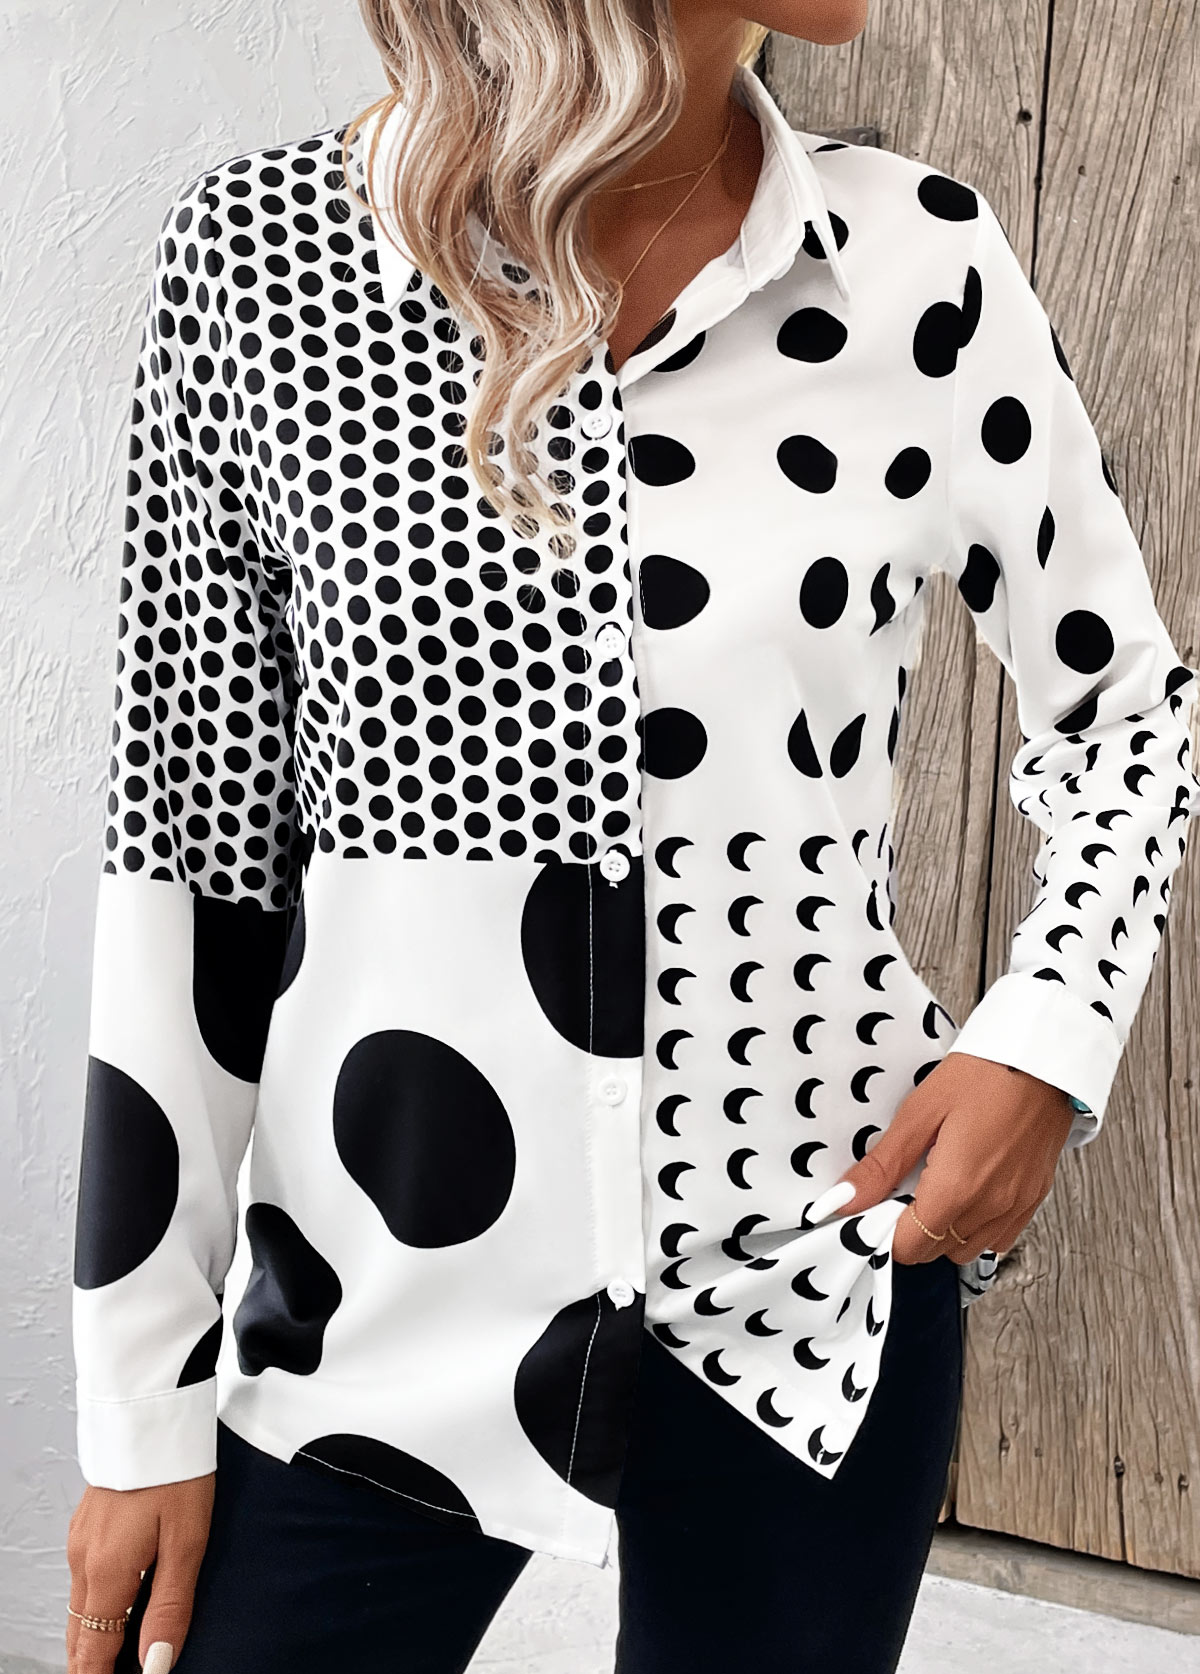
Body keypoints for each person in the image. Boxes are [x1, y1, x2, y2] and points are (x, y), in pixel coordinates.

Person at [64, 2, 1200, 1671]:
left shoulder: (918, 262)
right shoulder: (263, 263)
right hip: (372, 1318)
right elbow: (191, 864)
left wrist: (1047, 1039)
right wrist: (138, 1406)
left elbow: (1125, 710)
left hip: (810, 1294)